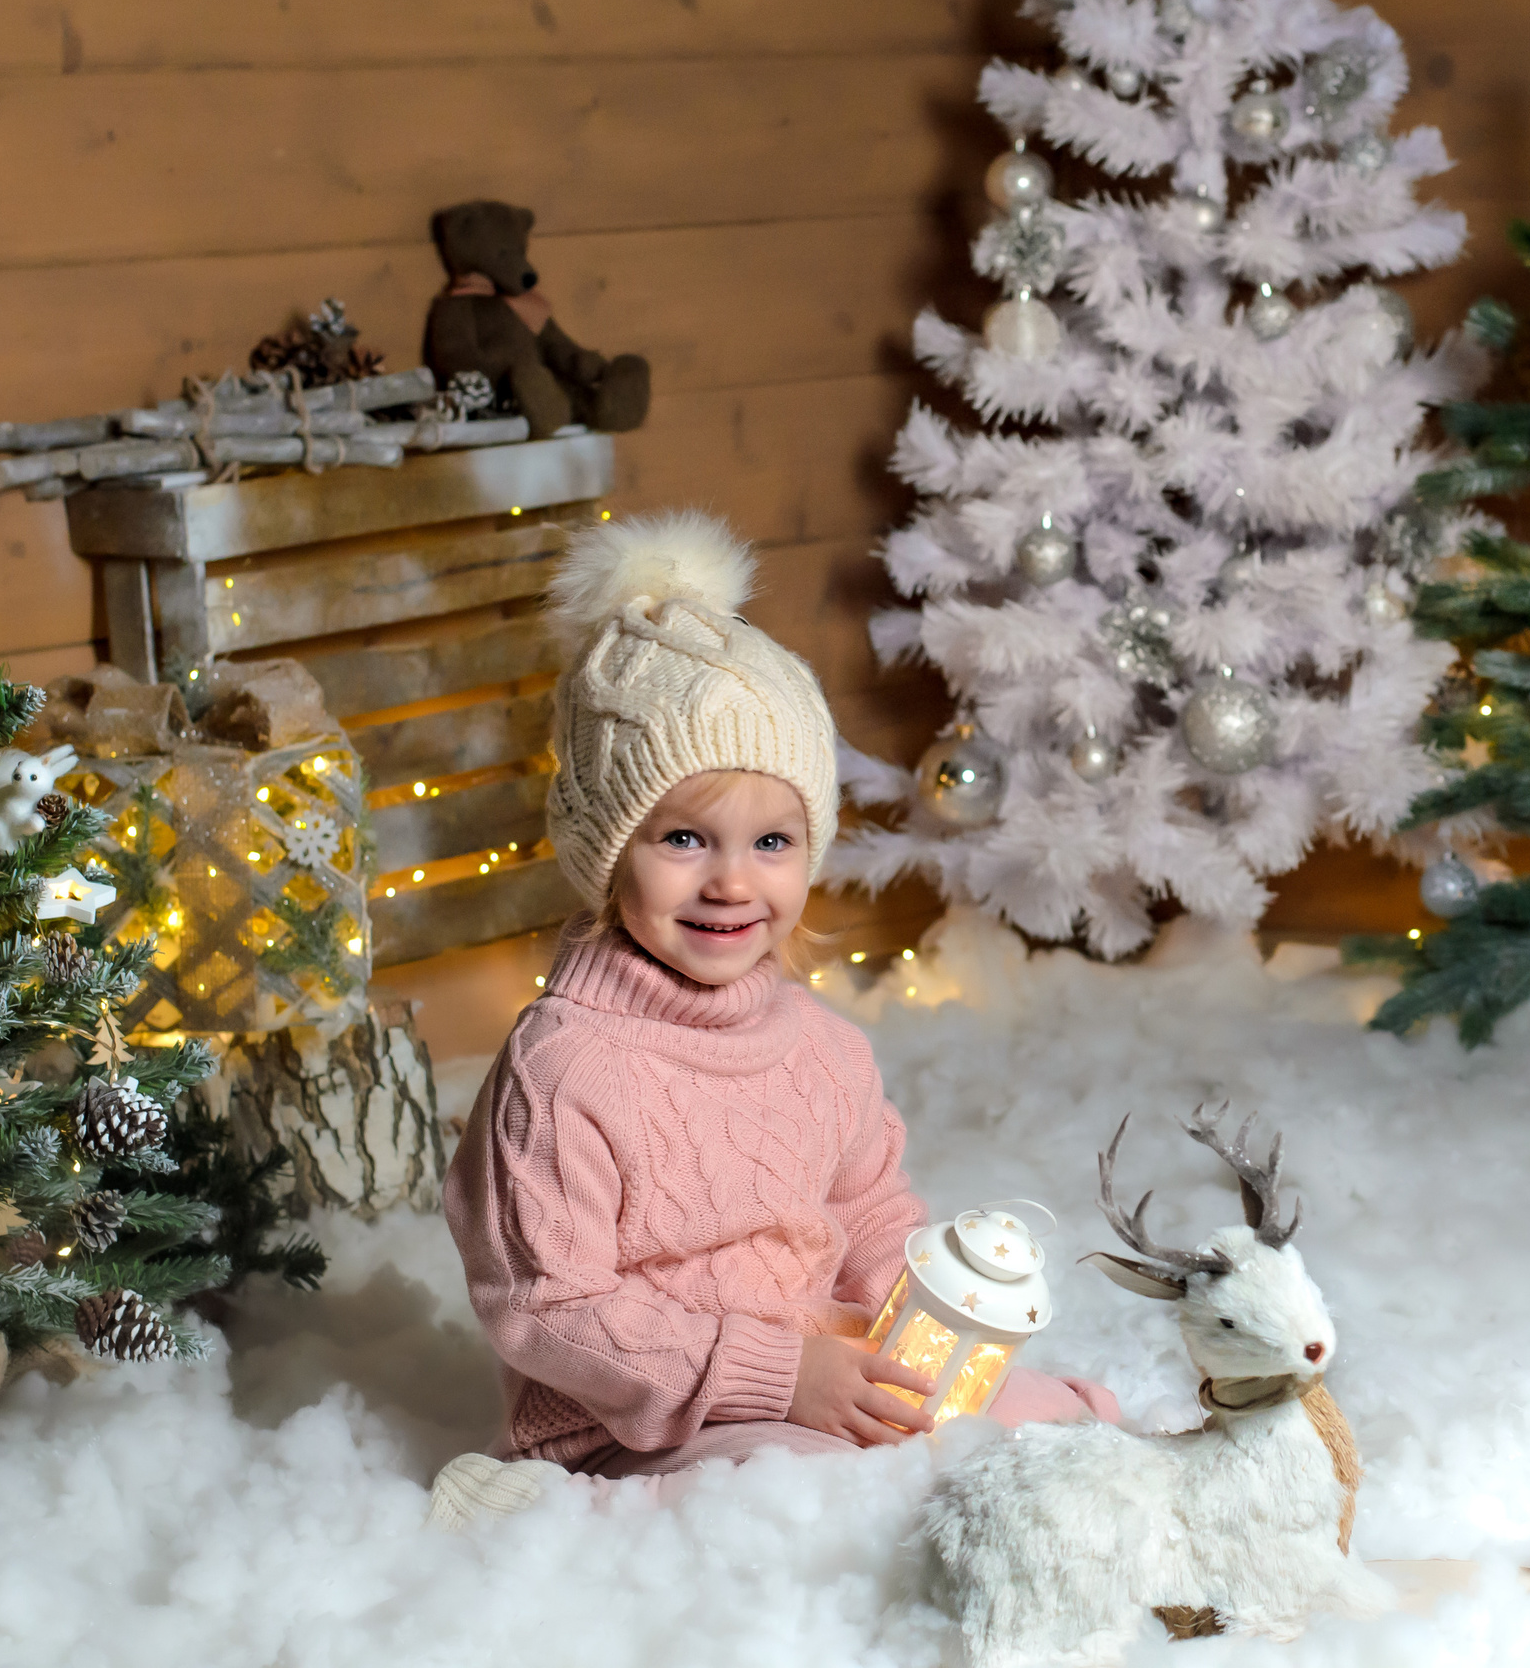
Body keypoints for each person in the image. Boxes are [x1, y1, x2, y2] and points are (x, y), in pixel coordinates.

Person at [430, 511, 1113, 1525]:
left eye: (773, 840)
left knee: (1045, 1426)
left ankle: (1124, 1516)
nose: (731, 881)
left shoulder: (822, 1048)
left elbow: (872, 1210)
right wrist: (778, 1375)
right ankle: (528, 1504)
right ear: (609, 850)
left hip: (815, 1356)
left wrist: (921, 1330)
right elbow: (548, 1308)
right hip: (633, 1422)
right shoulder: (564, 1069)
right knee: (828, 1500)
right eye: (685, 837)